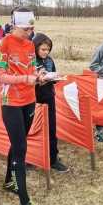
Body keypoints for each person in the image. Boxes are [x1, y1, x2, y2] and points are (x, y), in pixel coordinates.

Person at [0, 7, 50, 205]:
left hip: (29, 99)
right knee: (20, 148)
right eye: (27, 27)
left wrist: (40, 74)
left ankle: (9, 181)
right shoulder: (4, 43)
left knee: (18, 144)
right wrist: (26, 79)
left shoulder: (29, 44)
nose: (30, 31)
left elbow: (31, 68)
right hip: (11, 102)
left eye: (32, 27)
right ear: (15, 25)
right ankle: (25, 204)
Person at [33, 33, 69, 172]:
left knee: (51, 127)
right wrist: (37, 80)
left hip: (48, 96)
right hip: (34, 98)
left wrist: (55, 77)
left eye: (48, 49)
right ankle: (31, 157)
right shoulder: (30, 60)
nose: (46, 52)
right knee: (33, 128)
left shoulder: (49, 60)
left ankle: (53, 158)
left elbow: (52, 74)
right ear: (35, 48)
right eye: (43, 49)